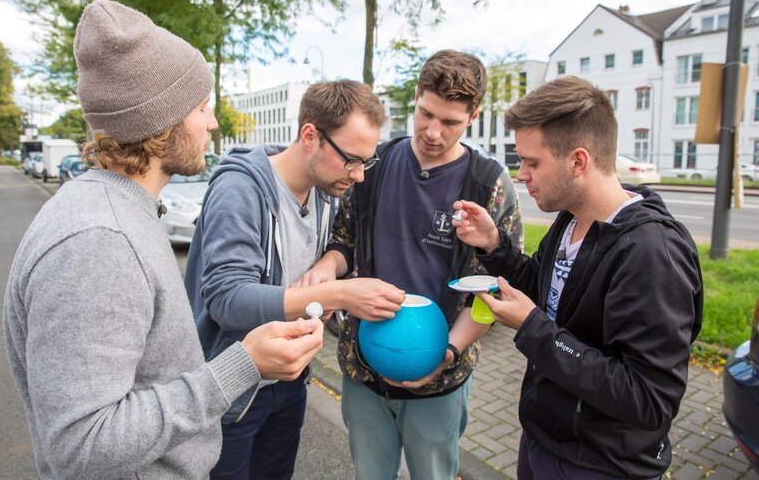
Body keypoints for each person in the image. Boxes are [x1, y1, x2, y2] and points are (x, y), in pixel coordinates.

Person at [2, 0, 324, 479]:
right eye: (200, 107)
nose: (212, 122)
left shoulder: (119, 212)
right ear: (161, 121)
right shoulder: (97, 243)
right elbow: (81, 445)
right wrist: (243, 365)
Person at [454, 75, 704, 479]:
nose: (522, 176)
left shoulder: (651, 252)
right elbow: (550, 291)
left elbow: (648, 399)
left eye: (532, 163)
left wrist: (533, 328)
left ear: (578, 161)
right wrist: (494, 245)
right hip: (544, 441)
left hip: (601, 464)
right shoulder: (571, 219)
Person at [300, 50, 524, 479]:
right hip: (362, 370)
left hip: (440, 379)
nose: (434, 132)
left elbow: (496, 290)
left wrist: (447, 353)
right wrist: (328, 266)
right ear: (417, 96)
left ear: (473, 117)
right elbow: (343, 241)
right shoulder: (373, 166)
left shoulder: (489, 183)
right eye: (426, 114)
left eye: (451, 122)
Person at [185, 79, 405, 479]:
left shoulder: (327, 191)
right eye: (351, 159)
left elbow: (339, 247)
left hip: (289, 380)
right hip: (232, 390)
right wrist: (338, 294)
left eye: (365, 162)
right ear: (310, 136)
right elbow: (227, 299)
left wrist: (327, 265)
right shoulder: (240, 189)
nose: (358, 176)